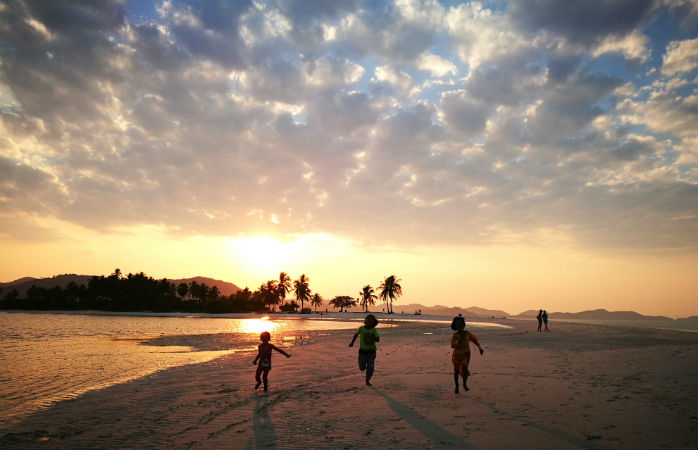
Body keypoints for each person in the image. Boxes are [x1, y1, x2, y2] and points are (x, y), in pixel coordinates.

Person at [450, 315, 484, 394]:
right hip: (457, 356)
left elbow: (474, 339)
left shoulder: (467, 333)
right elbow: (452, 345)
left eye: (461, 323)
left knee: (465, 368)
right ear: (455, 326)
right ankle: (457, 386)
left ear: (464, 324)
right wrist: (458, 341)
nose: (460, 325)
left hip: (465, 355)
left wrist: (480, 348)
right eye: (457, 324)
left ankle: (464, 383)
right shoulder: (455, 335)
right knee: (456, 371)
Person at [349, 314, 380, 386]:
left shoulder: (373, 330)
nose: (369, 321)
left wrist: (371, 337)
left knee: (370, 367)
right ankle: (364, 367)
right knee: (361, 367)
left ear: (373, 322)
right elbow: (356, 335)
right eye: (368, 319)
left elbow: (378, 340)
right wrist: (352, 342)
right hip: (362, 351)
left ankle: (367, 380)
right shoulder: (361, 328)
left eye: (371, 320)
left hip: (371, 352)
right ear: (365, 321)